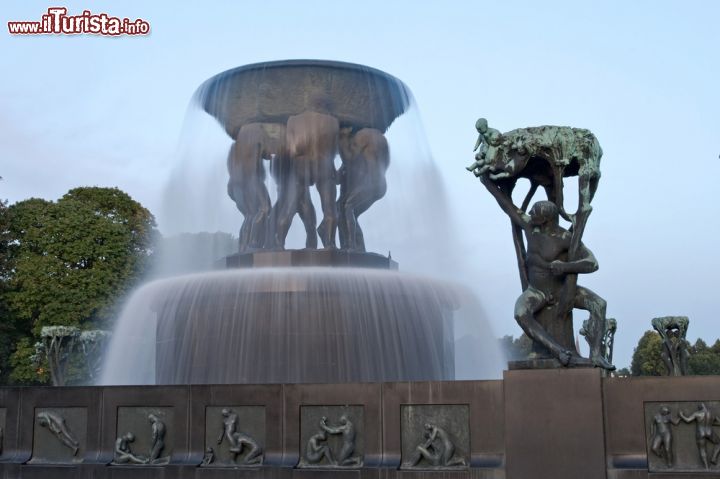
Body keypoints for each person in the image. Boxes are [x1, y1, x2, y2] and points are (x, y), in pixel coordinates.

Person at [481, 175, 614, 370]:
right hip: (537, 291)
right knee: (520, 313)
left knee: (599, 305)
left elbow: (592, 263)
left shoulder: (565, 238)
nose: (530, 214)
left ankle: (596, 355)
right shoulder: (530, 228)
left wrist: (567, 267)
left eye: (535, 212)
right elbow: (507, 206)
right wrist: (488, 183)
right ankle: (558, 351)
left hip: (561, 291)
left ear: (546, 219)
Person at [680, 403, 720, 468]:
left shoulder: (697, 413)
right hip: (709, 432)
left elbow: (688, 420)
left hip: (700, 432)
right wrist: (710, 423)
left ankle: (706, 467)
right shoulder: (712, 413)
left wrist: (681, 415)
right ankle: (714, 457)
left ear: (700, 408)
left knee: (702, 449)